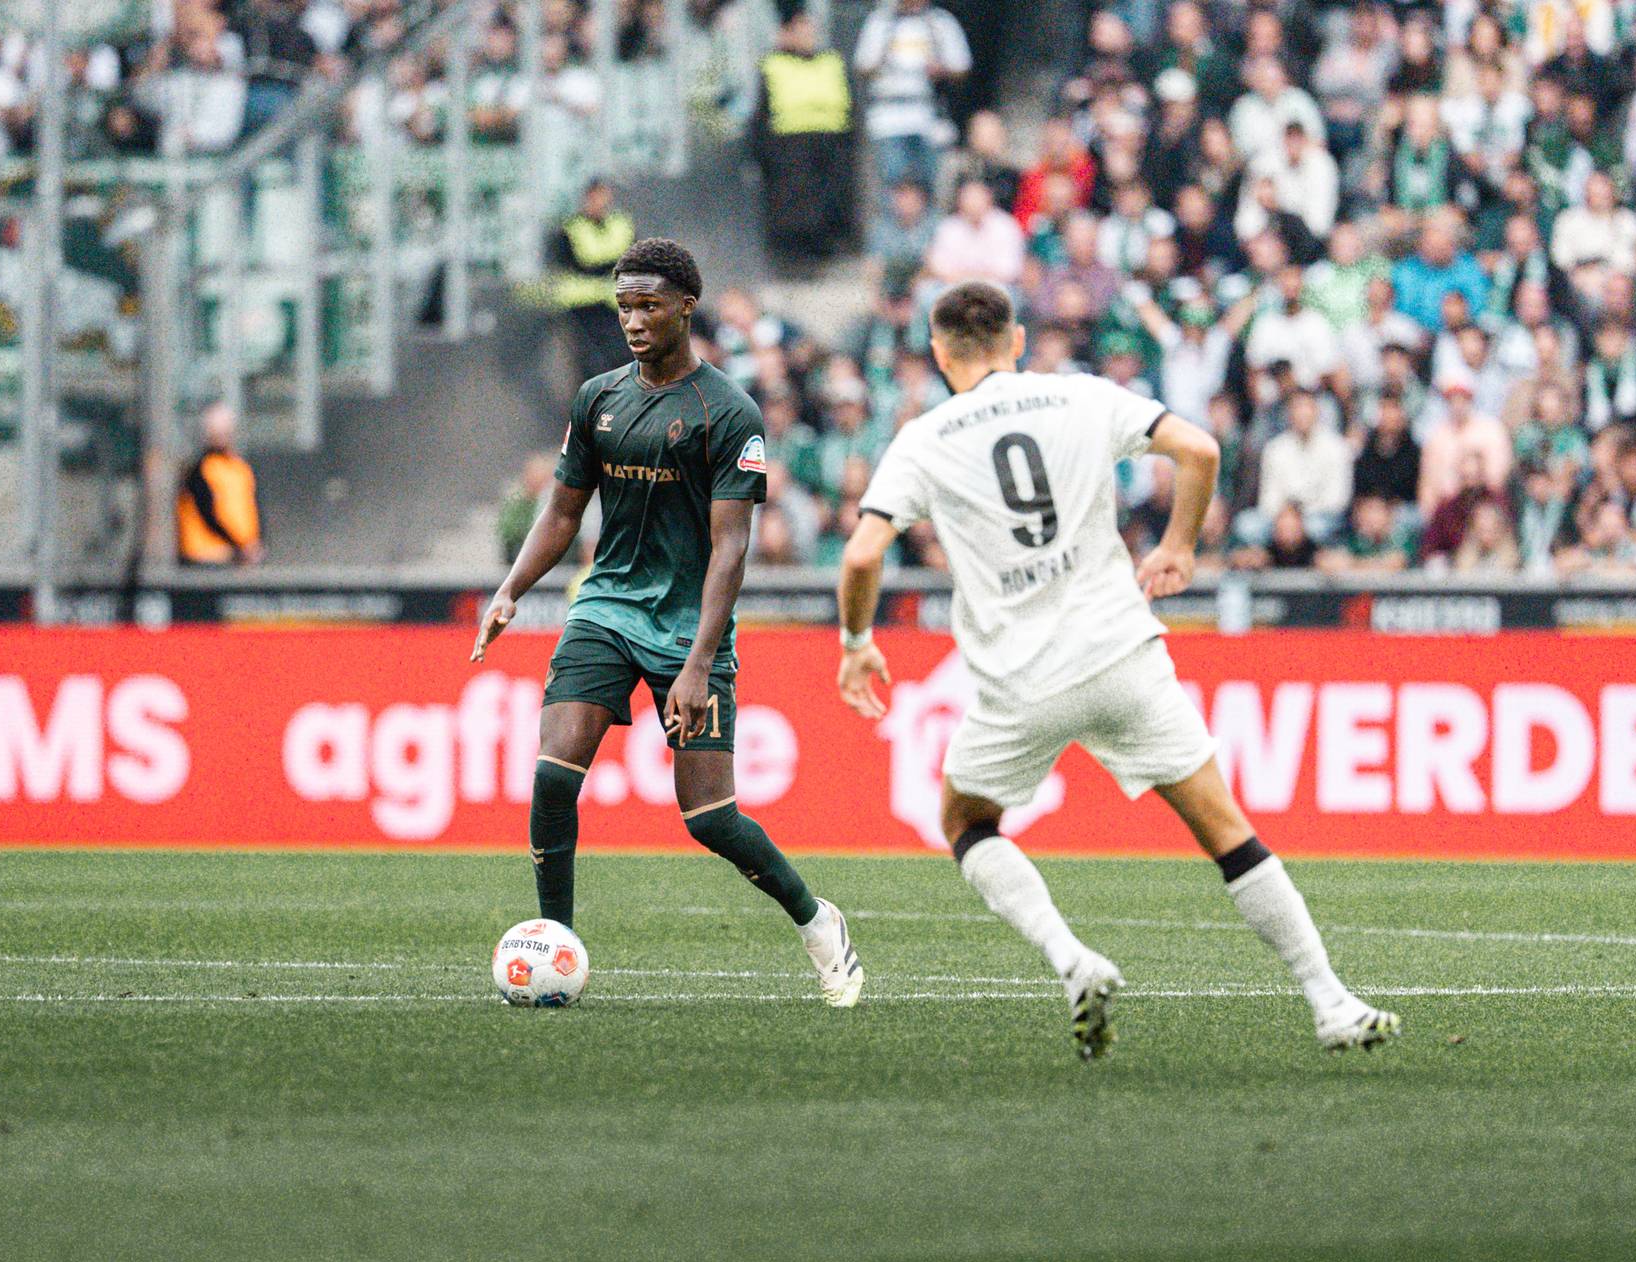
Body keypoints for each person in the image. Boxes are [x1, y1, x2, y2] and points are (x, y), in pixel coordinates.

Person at [833, 281, 1398, 1058]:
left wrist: (857, 638)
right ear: (1020, 340)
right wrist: (1179, 546)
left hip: (1020, 683)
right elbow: (1199, 448)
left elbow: (864, 551)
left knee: (966, 823)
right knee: (1227, 833)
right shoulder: (1082, 397)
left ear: (938, 353)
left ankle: (1073, 959)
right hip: (1121, 654)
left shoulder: (924, 439)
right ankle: (1330, 999)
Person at [472, 238, 863, 1007]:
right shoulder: (598, 399)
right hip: (607, 606)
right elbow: (561, 510)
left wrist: (695, 664)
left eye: (649, 305)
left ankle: (819, 922)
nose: (634, 320)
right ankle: (559, 947)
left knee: (710, 818)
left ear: (687, 305)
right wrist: (511, 589)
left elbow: (731, 550)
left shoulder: (731, 414)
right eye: (624, 306)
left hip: (692, 625)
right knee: (554, 775)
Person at [751, 12, 853, 262]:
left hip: (830, 145)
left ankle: (825, 251)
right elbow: (762, 112)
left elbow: (850, 105)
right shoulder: (774, 64)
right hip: (790, 148)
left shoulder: (832, 61)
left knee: (829, 206)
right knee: (794, 210)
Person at [851, 0, 970, 192]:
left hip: (927, 115)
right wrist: (884, 56)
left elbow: (961, 67)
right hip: (887, 116)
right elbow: (863, 66)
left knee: (929, 185)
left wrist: (941, 69)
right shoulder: (880, 21)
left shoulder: (940, 22)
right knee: (892, 186)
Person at [550, 179, 636, 384]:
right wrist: (611, 265)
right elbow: (578, 262)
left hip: (615, 304)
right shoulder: (572, 228)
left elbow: (634, 256)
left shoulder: (621, 223)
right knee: (589, 362)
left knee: (623, 358)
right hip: (583, 306)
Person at [177, 402, 264, 565]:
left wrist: (254, 544)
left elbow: (252, 509)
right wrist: (240, 545)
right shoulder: (201, 469)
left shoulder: (240, 468)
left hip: (235, 558)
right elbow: (208, 512)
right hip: (204, 557)